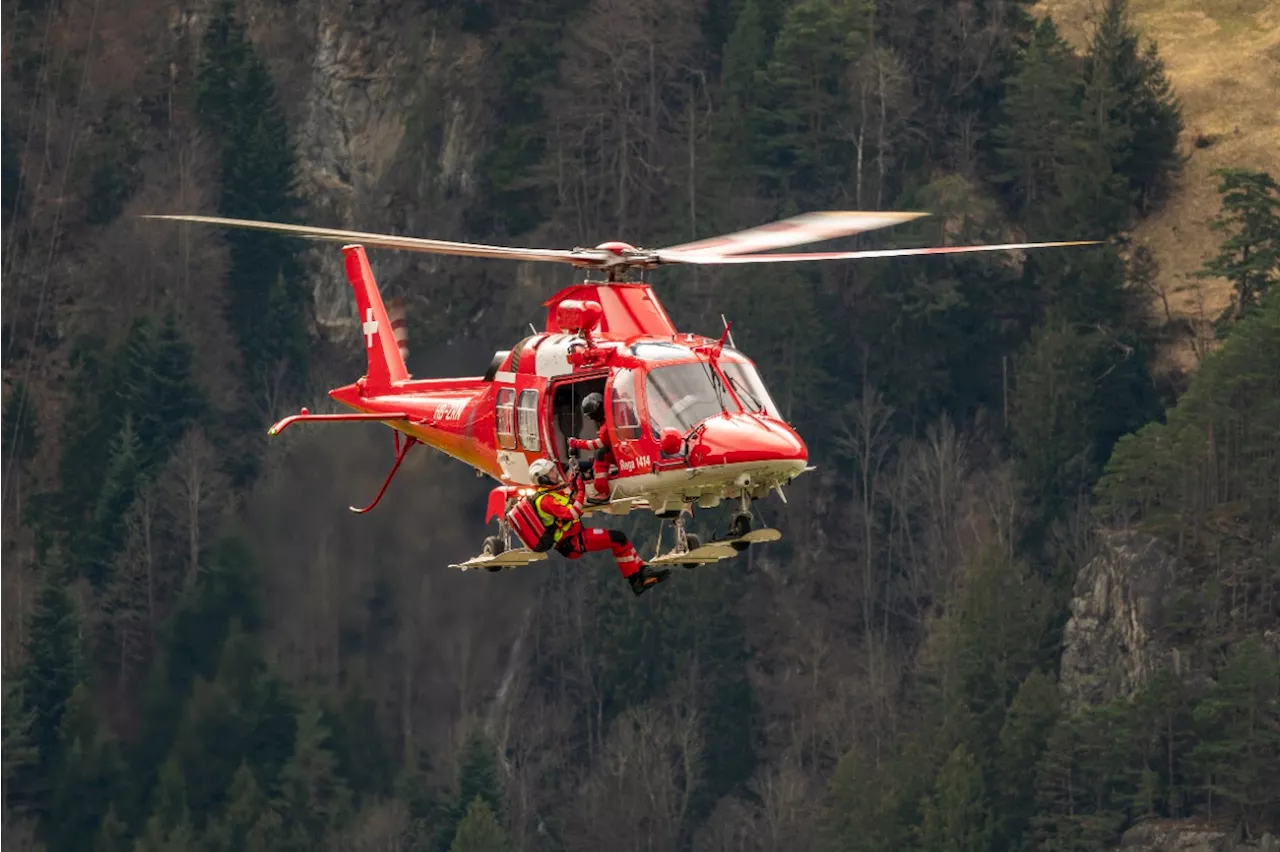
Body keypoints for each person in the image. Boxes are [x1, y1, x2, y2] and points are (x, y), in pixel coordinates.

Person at [507, 458, 670, 596]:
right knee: (618, 539)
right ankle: (637, 580)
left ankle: (641, 573)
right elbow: (573, 513)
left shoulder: (549, 494)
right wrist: (581, 490)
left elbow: (567, 495)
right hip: (573, 542)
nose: (555, 473)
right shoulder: (546, 501)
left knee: (619, 540)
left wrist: (578, 478)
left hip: (576, 537)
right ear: (543, 479)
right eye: (550, 472)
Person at [567, 392, 612, 503]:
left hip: (617, 453)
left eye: (593, 416)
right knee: (587, 463)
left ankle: (603, 492)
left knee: (600, 456)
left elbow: (597, 444)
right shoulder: (611, 418)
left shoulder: (606, 426)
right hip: (619, 450)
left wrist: (576, 443)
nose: (593, 419)